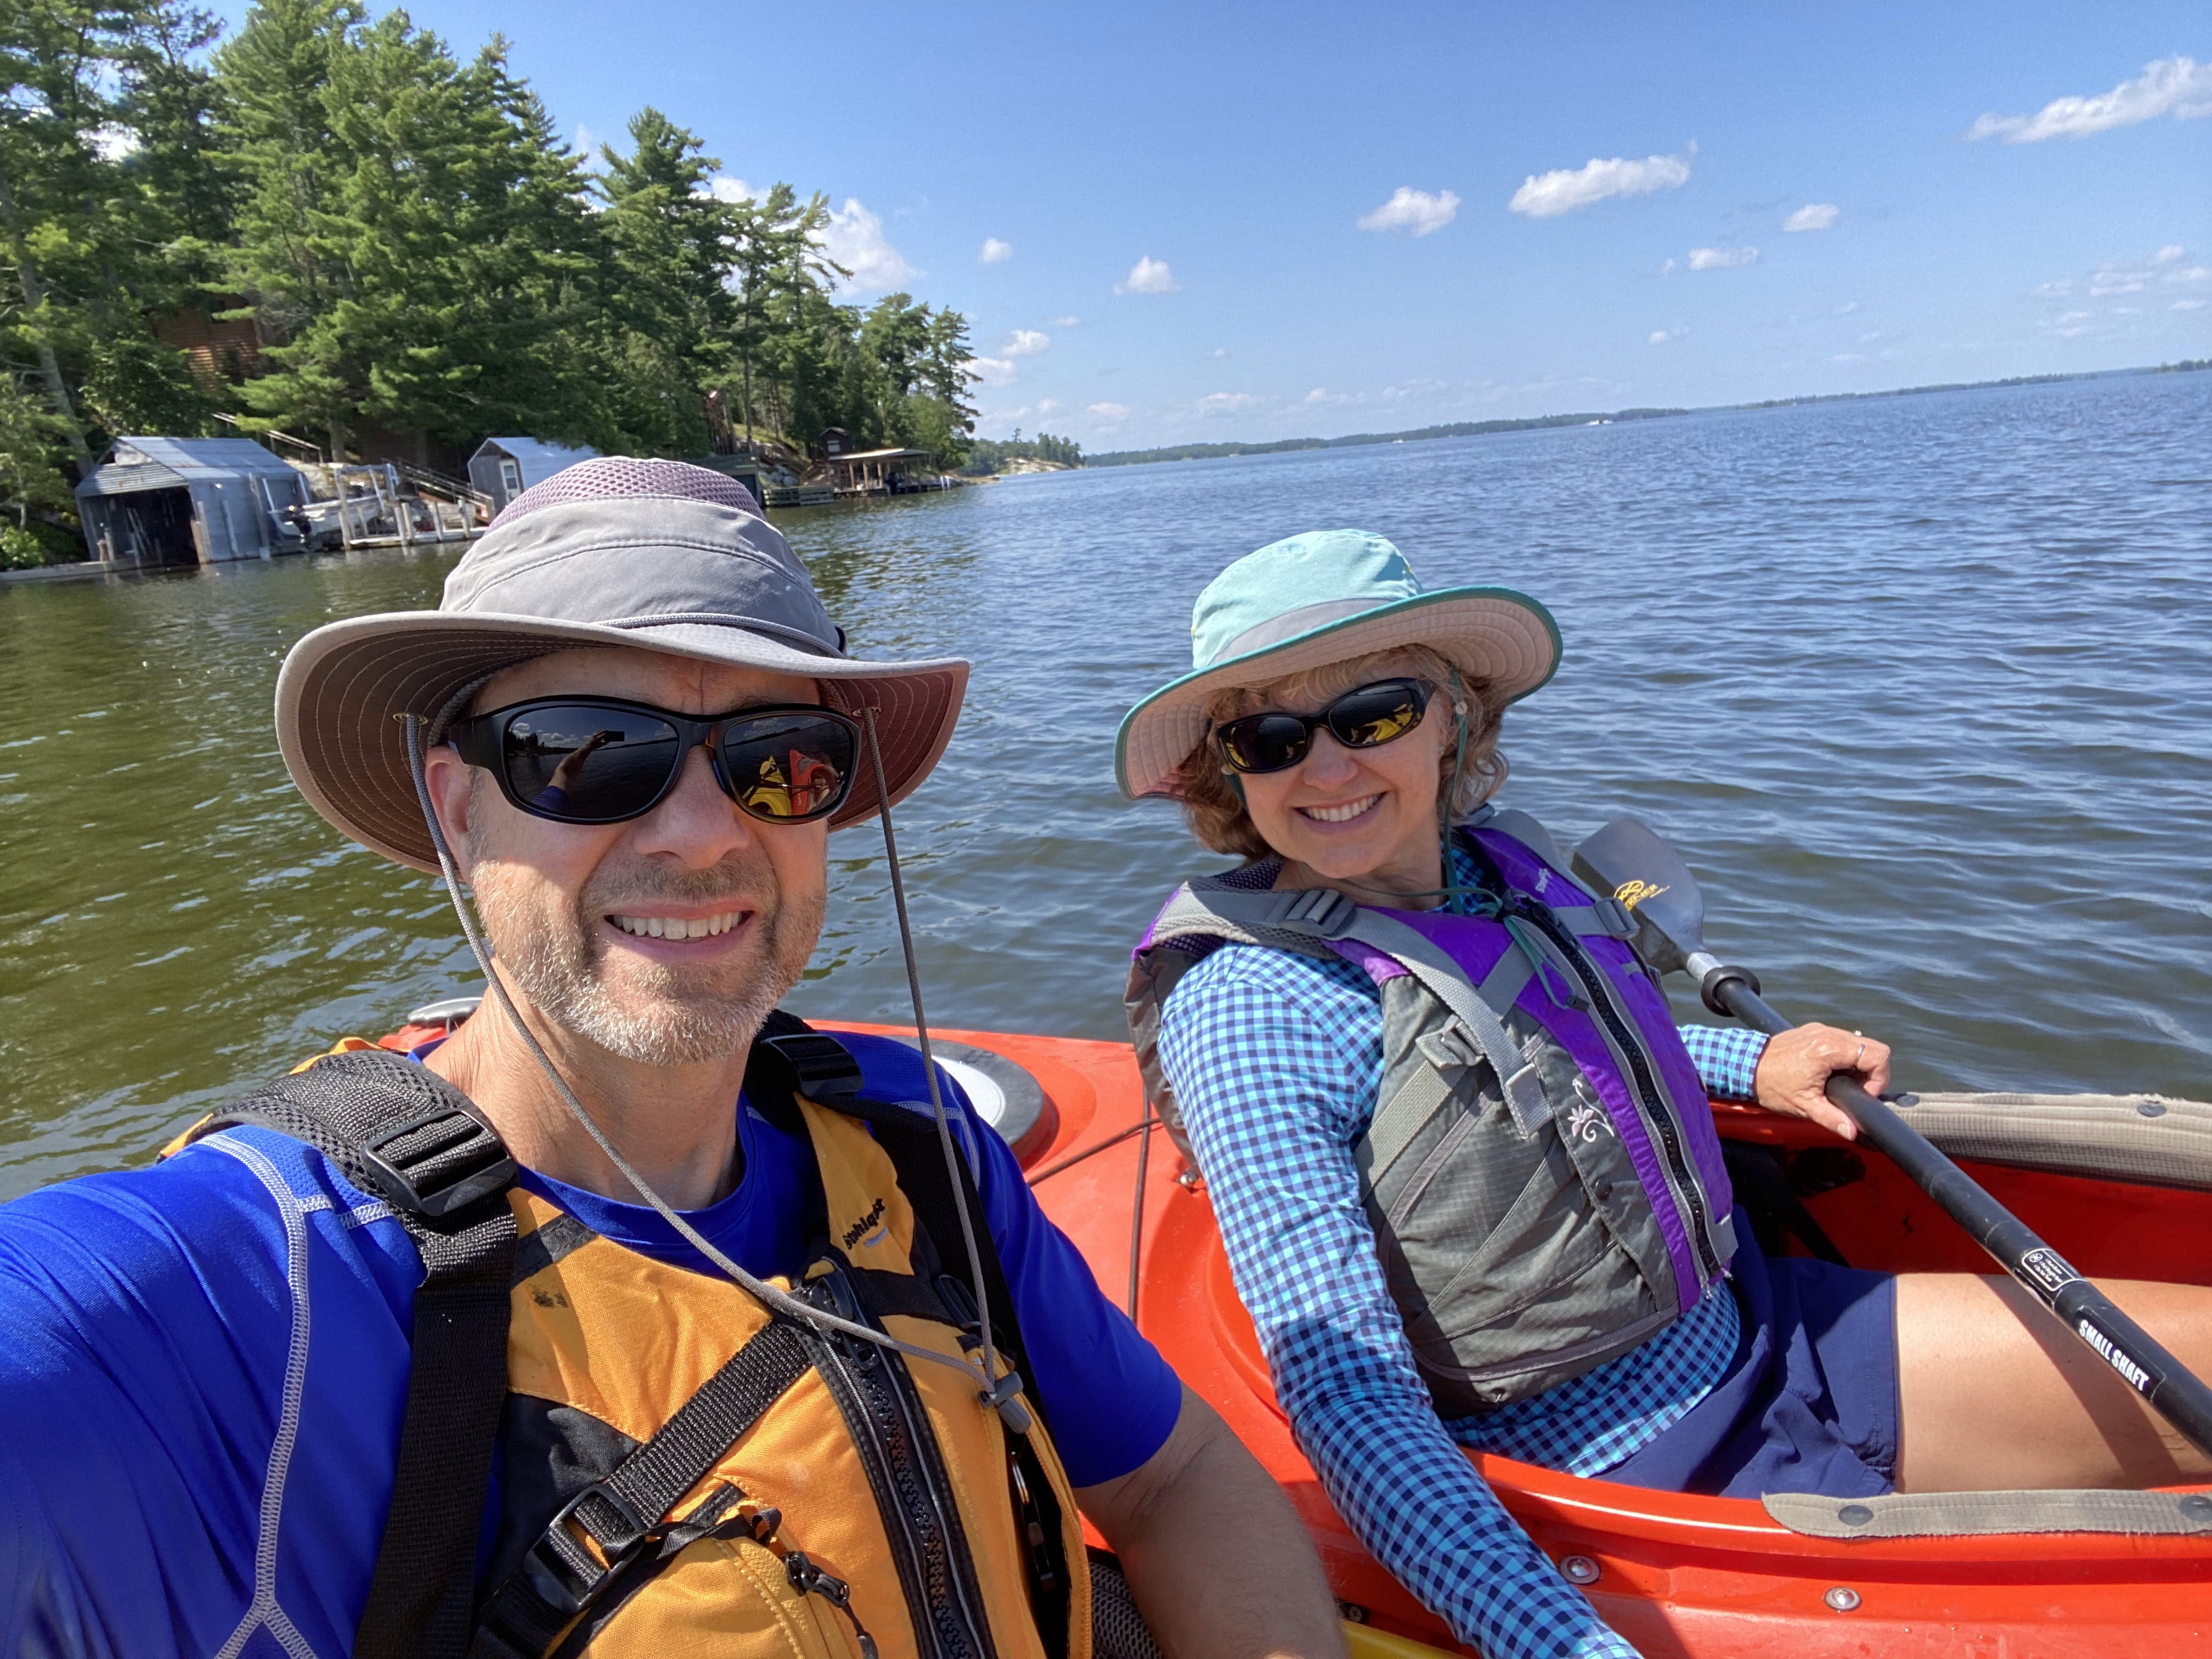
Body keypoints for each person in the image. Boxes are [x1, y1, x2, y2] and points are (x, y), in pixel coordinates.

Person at [0, 460, 1346, 1659]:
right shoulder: (264, 1294)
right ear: (454, 807)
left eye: (781, 760)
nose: (706, 832)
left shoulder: (917, 1145)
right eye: (590, 753)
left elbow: (1171, 1483)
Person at [1116, 528, 2212, 1659]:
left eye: (1373, 714)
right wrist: (1562, 1645)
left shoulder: (1491, 869)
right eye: (1272, 737)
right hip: (1612, 1472)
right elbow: (1349, 1400)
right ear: (1228, 770)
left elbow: (1567, 1054)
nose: (1329, 769)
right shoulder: (1255, 1008)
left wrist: (1753, 1064)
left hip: (1765, 1329)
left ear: (1452, 711)